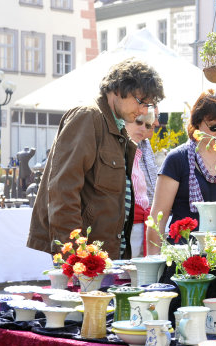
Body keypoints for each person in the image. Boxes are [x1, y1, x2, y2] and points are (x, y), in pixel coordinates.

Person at [27, 58, 164, 259]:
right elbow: (62, 191)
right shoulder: (88, 117)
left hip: (106, 257)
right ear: (118, 89)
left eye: (149, 104)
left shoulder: (116, 126)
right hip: (85, 260)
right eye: (141, 101)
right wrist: (76, 256)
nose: (144, 110)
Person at [146, 90, 216, 255]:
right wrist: (153, 264)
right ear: (198, 122)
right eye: (214, 127)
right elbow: (158, 218)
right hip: (184, 255)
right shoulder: (177, 159)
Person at [125, 111, 156, 258]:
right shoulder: (118, 149)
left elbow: (151, 186)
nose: (143, 128)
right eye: (139, 122)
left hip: (143, 221)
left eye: (147, 125)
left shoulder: (142, 145)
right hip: (127, 223)